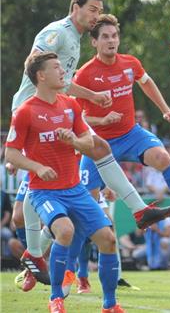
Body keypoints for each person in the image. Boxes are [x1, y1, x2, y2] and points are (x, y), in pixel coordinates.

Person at [10, 0, 170, 293]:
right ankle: (34, 258)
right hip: (37, 118)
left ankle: (140, 210)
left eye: (99, 11)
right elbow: (33, 64)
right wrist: (38, 112)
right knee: (27, 206)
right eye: (93, 10)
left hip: (57, 114)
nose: (96, 16)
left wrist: (89, 97)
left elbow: (64, 83)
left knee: (99, 148)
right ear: (76, 7)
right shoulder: (58, 33)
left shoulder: (74, 39)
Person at [73, 14, 170, 237]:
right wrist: (101, 120)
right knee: (86, 210)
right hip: (97, 143)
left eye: (115, 36)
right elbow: (75, 119)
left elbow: (146, 83)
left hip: (130, 135)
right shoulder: (84, 75)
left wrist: (165, 109)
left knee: (164, 158)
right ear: (94, 42)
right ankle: (75, 270)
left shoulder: (130, 63)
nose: (111, 41)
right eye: (105, 37)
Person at [5, 51, 124, 313]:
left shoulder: (71, 105)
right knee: (66, 231)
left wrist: (72, 141)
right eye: (57, 67)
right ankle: (55, 298)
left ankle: (110, 305)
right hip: (44, 192)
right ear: (41, 75)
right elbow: (10, 153)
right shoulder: (25, 112)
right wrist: (37, 167)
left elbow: (89, 143)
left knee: (108, 239)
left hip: (75, 189)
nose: (63, 72)